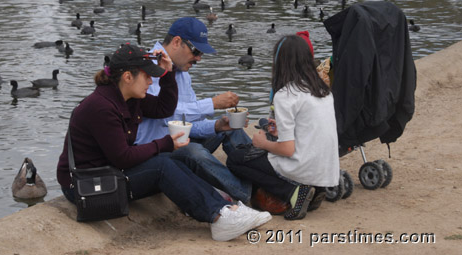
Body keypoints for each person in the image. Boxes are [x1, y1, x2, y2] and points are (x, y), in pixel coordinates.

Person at [56, 43, 271, 241]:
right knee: (162, 164)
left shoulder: (128, 98)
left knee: (172, 159)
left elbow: (163, 109)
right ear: (128, 77)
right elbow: (122, 156)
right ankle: (219, 215)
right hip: (87, 186)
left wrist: (168, 74)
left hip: (109, 173)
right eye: (147, 76)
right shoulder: (101, 107)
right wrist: (165, 143)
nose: (151, 82)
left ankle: (225, 209)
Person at [135, 17, 252, 203]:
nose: (198, 59)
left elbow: (186, 123)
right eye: (196, 51)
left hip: (176, 140)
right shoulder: (147, 68)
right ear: (176, 42)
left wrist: (217, 126)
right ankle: (250, 194)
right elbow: (165, 113)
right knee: (194, 152)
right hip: (154, 149)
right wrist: (211, 104)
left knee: (230, 129)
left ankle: (261, 176)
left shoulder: (182, 73)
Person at [226, 35, 340, 220]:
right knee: (265, 154)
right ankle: (315, 188)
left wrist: (262, 143)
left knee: (236, 159)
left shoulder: (286, 94)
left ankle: (293, 192)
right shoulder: (323, 90)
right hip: (326, 167)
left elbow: (287, 149)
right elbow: (310, 129)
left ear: (280, 62)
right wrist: (279, 131)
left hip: (303, 165)